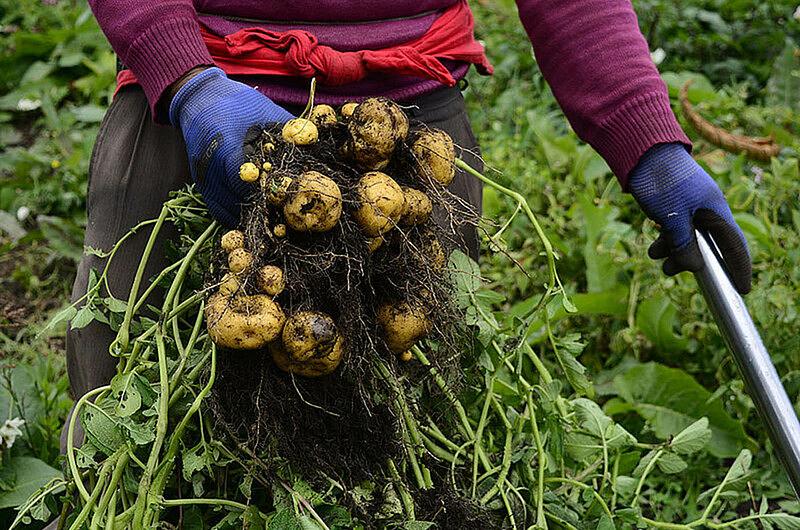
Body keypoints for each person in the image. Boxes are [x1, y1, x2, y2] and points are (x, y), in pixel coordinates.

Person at [66, 0, 751, 469]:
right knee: (133, 430)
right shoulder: (189, 93)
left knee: (408, 444)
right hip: (196, 109)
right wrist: (184, 79)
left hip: (412, 131)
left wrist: (648, 139)